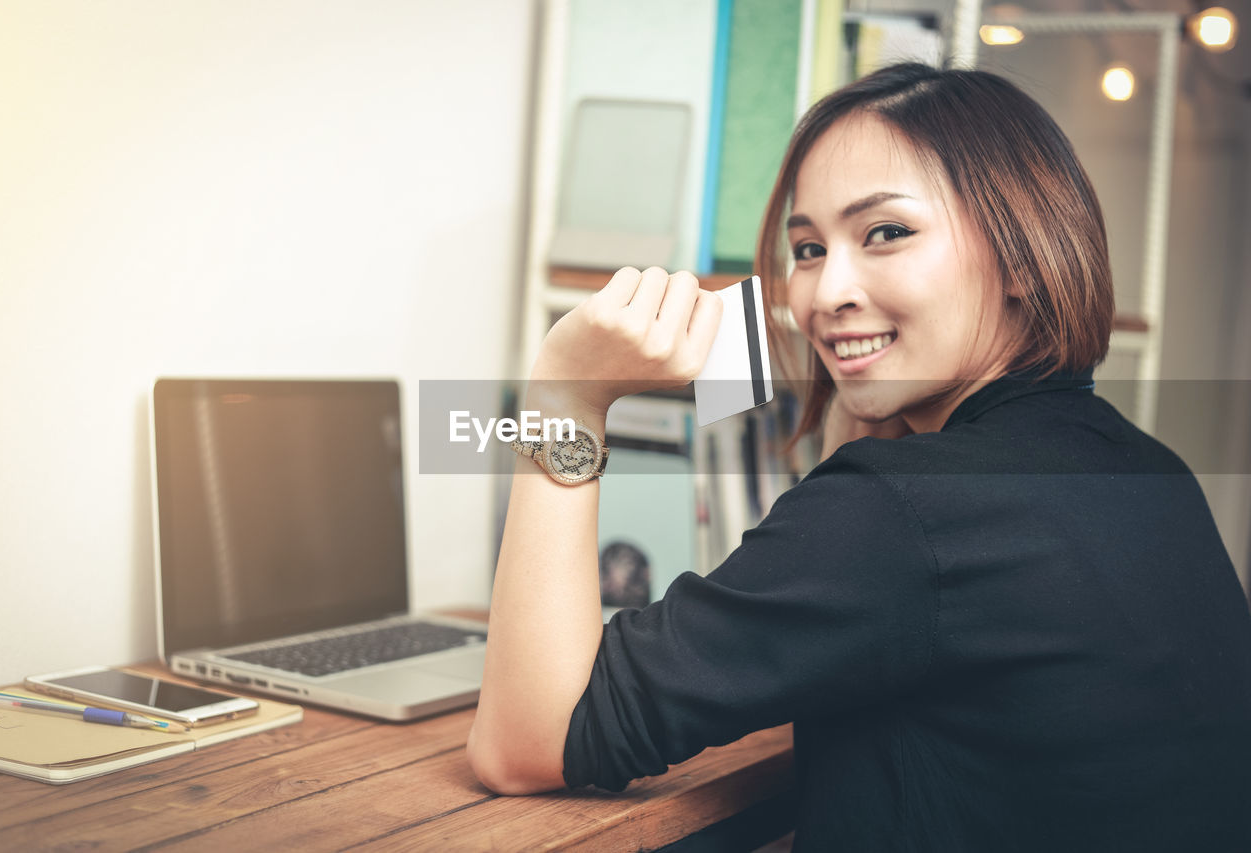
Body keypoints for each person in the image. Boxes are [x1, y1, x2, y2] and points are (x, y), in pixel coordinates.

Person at [466, 63, 1251, 851]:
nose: (825, 291)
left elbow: (525, 741)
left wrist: (565, 395)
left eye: (886, 233)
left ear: (1022, 253)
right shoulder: (1150, 468)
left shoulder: (905, 511)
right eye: (807, 248)